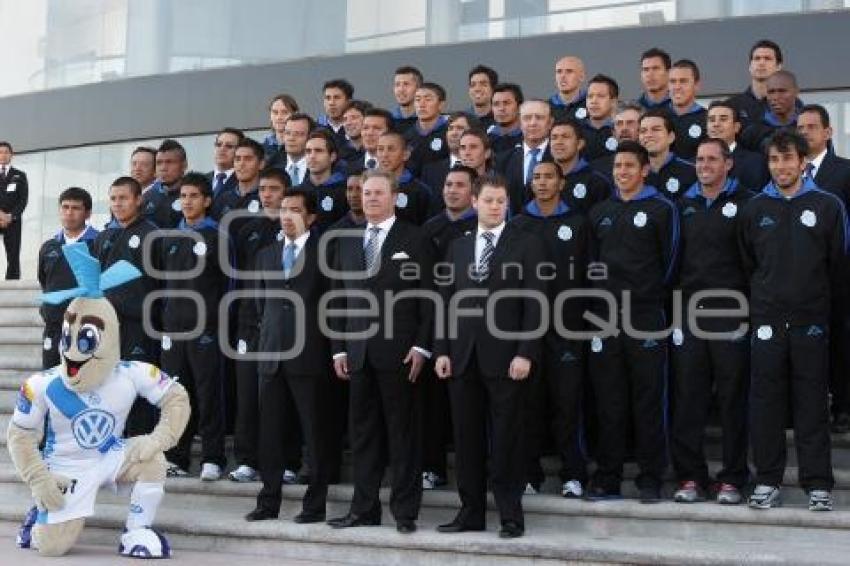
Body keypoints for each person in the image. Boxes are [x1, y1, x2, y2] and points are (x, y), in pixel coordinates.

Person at [738, 129, 847, 512]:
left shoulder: (828, 206)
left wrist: (816, 304)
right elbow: (748, 265)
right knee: (765, 403)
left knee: (811, 404)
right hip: (767, 321)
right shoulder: (754, 210)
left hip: (812, 323)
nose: (781, 167)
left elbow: (838, 266)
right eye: (774, 160)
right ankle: (767, 481)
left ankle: (817, 484)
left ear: (803, 162)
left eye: (788, 159)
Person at [434, 173, 546, 539]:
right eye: (489, 200)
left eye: (501, 201)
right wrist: (443, 350)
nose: (495, 207)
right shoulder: (458, 247)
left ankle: (511, 515)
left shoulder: (527, 244)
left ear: (507, 205)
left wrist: (525, 353)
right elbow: (445, 303)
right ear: (475, 203)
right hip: (463, 358)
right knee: (466, 441)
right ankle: (471, 513)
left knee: (507, 440)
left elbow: (536, 303)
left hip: (507, 358)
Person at [327, 169, 435, 534]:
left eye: (377, 192)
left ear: (394, 197)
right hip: (357, 354)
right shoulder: (345, 241)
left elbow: (429, 298)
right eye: (364, 192)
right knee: (363, 437)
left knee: (404, 435)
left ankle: (405, 512)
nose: (369, 198)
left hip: (401, 354)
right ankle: (364, 509)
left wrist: (422, 345)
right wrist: (338, 349)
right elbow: (338, 300)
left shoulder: (416, 238)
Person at [585, 141, 678, 503]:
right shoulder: (600, 212)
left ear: (644, 170)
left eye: (628, 166)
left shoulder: (661, 208)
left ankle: (650, 476)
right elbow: (592, 265)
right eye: (617, 166)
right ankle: (608, 476)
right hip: (605, 318)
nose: (621, 172)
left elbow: (670, 263)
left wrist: (646, 296)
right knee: (609, 400)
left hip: (646, 316)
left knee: (648, 399)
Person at [670, 138, 754, 505]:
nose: (704, 165)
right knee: (689, 398)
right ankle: (690, 478)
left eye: (712, 159)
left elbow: (754, 261)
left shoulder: (747, 203)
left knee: (733, 398)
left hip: (732, 313)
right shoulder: (683, 205)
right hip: (689, 314)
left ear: (728, 164)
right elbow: (672, 262)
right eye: (699, 159)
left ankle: (733, 478)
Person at [245, 189, 332, 523]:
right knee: (269, 434)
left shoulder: (325, 252)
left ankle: (315, 505)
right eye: (283, 209)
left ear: (309, 217)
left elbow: (332, 304)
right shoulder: (266, 254)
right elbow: (258, 305)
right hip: (271, 356)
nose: (287, 215)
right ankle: (268, 502)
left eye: (295, 210)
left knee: (315, 433)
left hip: (309, 356)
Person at [512, 160, 589, 498]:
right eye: (537, 177)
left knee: (568, 404)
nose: (542, 183)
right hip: (526, 333)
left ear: (562, 183)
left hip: (567, 330)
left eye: (548, 177)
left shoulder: (577, 222)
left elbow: (591, 275)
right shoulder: (517, 225)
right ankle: (529, 474)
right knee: (527, 406)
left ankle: (574, 474)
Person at [159, 172, 227, 481]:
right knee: (176, 395)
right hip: (174, 331)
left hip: (206, 331)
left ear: (207, 200)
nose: (186, 201)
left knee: (208, 393)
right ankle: (178, 457)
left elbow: (231, 285)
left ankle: (213, 457)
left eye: (193, 196)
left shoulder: (217, 236)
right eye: (183, 196)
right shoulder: (170, 237)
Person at [229, 167, 294, 483]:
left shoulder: (296, 231)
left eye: (273, 189)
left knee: (283, 397)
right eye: (263, 189)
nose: (267, 194)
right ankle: (246, 460)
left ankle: (287, 460)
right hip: (248, 323)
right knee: (247, 395)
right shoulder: (246, 230)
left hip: (284, 326)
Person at [420, 165, 479, 490]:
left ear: (473, 192)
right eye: (447, 184)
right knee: (433, 403)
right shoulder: (430, 228)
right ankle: (433, 467)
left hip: (471, 328)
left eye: (459, 185)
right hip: (434, 324)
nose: (452, 190)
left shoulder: (482, 226)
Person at [92, 176, 162, 436]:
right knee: (107, 386)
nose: (117, 204)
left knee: (139, 387)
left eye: (123, 198)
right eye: (113, 199)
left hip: (140, 326)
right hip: (107, 327)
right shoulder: (104, 237)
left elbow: (162, 283)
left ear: (138, 200)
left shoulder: (153, 234)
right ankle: (110, 444)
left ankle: (140, 446)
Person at [798, 104, 850, 432]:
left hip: (839, 273)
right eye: (800, 127)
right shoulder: (784, 171)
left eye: (811, 127)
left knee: (840, 338)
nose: (804, 133)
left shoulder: (844, 171)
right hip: (799, 276)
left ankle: (843, 406)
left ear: (828, 133)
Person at [37, 187, 99, 369]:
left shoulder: (99, 242)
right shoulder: (49, 246)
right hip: (54, 325)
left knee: (82, 380)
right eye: (65, 207)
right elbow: (44, 281)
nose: (69, 212)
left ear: (87, 213)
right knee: (50, 376)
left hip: (85, 326)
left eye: (75, 208)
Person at [494, 99, 554, 214]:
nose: (533, 123)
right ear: (519, 123)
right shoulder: (502, 161)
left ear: (550, 123)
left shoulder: (559, 159)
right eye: (527, 118)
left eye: (539, 117)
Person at [550, 118, 612, 213]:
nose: (558, 142)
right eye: (554, 137)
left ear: (579, 144)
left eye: (565, 137)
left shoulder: (597, 182)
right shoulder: (539, 179)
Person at [706, 100, 769, 191]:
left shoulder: (756, 163)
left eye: (723, 119)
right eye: (712, 120)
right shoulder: (694, 164)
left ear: (736, 127)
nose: (716, 124)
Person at [376, 131, 435, 225]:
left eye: (391, 149)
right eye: (380, 149)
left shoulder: (421, 191)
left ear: (405, 155)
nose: (384, 154)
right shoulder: (369, 186)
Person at [638, 108, 697, 199]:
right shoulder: (634, 173)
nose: (648, 135)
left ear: (671, 137)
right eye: (643, 131)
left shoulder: (691, 172)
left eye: (656, 129)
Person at [298, 129, 348, 230]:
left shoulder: (345, 191)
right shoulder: (298, 192)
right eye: (308, 151)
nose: (312, 156)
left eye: (318, 151)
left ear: (332, 157)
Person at [727, 39, 784, 129]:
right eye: (757, 58)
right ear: (750, 66)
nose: (761, 63)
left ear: (778, 67)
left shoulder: (791, 105)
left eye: (767, 59)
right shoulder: (731, 106)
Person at [741, 70, 801, 152]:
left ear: (796, 92)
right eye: (771, 92)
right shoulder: (752, 132)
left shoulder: (807, 126)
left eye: (782, 91)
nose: (776, 97)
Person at [420, 112, 474, 194]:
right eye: (450, 128)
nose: (453, 133)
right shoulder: (430, 172)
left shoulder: (482, 168)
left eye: (460, 128)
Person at [404, 82, 449, 176]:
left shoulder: (450, 132)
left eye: (428, 99)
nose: (422, 104)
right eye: (417, 100)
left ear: (441, 105)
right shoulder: (407, 136)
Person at [141, 139, 187, 229]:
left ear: (184, 165)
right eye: (159, 163)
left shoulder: (194, 195)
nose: (163, 168)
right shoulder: (147, 197)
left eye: (169, 162)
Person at [590, 102, 642, 181]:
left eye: (630, 123)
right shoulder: (597, 170)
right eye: (619, 124)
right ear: (613, 132)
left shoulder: (653, 164)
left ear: (643, 128)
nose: (624, 128)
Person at [668, 59, 707, 161]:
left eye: (683, 81)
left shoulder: (708, 119)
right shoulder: (657, 117)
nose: (677, 87)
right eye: (672, 81)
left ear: (697, 85)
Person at [0, 141, 28, 279]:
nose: (3, 155)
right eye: (0, 152)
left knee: (13, 255)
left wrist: (10, 216)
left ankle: (12, 284)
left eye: (6, 152)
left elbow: (23, 200)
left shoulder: (20, 175)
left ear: (11, 155)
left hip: (13, 221)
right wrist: (1, 216)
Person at [265, 113, 314, 184]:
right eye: (287, 133)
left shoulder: (320, 167)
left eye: (298, 134)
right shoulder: (271, 166)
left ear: (310, 137)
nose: (291, 138)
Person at [581, 74, 619, 161]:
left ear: (613, 102)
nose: (594, 101)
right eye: (590, 96)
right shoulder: (575, 130)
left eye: (601, 96)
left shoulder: (621, 131)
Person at [348, 108, 393, 176]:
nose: (369, 133)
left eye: (377, 128)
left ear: (390, 133)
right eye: (365, 128)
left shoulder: (397, 167)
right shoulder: (349, 169)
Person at [262, 93, 299, 165]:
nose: (279, 117)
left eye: (285, 112)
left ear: (295, 115)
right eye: (275, 112)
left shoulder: (305, 146)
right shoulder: (262, 150)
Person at [208, 128, 243, 202]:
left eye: (229, 146)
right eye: (219, 144)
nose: (222, 149)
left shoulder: (243, 181)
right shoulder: (202, 180)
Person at [488, 83, 524, 155]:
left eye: (507, 103)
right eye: (496, 104)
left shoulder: (530, 138)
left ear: (520, 107)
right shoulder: (485, 140)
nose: (501, 108)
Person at [318, 78, 354, 147]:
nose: (331, 103)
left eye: (337, 98)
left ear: (349, 102)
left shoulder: (357, 128)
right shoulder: (316, 128)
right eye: (328, 98)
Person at [549, 56, 587, 121]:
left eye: (569, 71)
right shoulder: (547, 108)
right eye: (559, 72)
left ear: (581, 77)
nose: (563, 76)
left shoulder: (591, 105)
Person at [392, 66, 423, 133]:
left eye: (406, 84)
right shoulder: (388, 121)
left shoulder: (430, 121)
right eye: (397, 85)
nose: (401, 89)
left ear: (419, 89)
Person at [339, 100, 372, 164]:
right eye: (345, 119)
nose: (348, 123)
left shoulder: (379, 151)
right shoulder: (339, 155)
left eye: (354, 118)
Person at [467, 64, 497, 128]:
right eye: (473, 85)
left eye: (483, 84)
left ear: (493, 89)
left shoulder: (502, 119)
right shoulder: (462, 120)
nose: (477, 89)